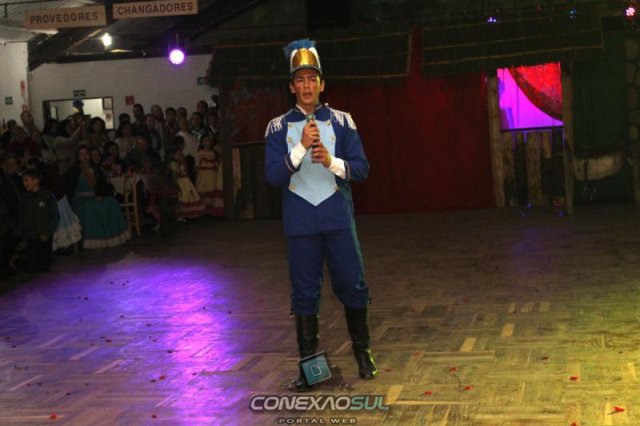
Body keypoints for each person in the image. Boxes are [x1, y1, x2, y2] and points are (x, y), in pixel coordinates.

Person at [264, 39, 376, 389]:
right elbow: (273, 176)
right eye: (300, 80)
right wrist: (299, 148)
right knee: (305, 294)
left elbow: (362, 168)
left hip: (338, 219)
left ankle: (363, 352)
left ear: (322, 84)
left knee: (353, 284)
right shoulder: (277, 128)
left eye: (312, 79)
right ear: (291, 87)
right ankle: (310, 370)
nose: (307, 85)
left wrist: (331, 161)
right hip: (300, 224)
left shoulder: (343, 121)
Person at [14, 169, 59, 272]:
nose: (24, 183)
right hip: (31, 237)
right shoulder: (24, 199)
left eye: (26, 180)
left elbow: (55, 216)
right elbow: (22, 219)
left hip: (44, 237)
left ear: (36, 180)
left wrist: (47, 233)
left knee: (44, 267)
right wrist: (23, 237)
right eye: (23, 181)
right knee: (32, 267)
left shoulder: (47, 196)